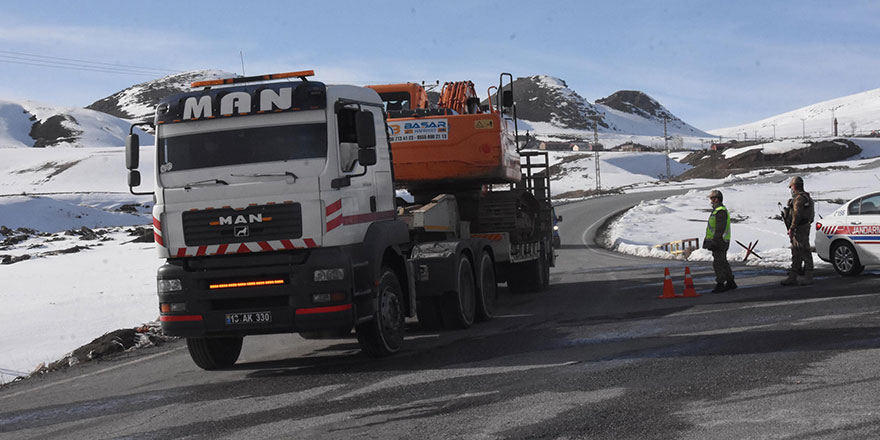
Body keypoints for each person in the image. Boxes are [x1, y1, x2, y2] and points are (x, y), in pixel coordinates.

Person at [781, 176, 815, 286]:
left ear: (795, 186)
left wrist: (792, 227)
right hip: (804, 226)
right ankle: (793, 276)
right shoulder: (807, 197)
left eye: (792, 187)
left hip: (800, 228)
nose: (792, 190)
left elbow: (797, 214)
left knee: (804, 250)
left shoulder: (799, 199)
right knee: (796, 251)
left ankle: (808, 276)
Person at [704, 189, 736, 292]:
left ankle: (720, 283)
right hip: (721, 240)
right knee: (723, 262)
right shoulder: (718, 210)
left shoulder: (720, 211)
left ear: (716, 199)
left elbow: (720, 228)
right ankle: (730, 282)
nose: (710, 201)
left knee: (718, 263)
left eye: (712, 199)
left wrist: (715, 241)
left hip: (720, 241)